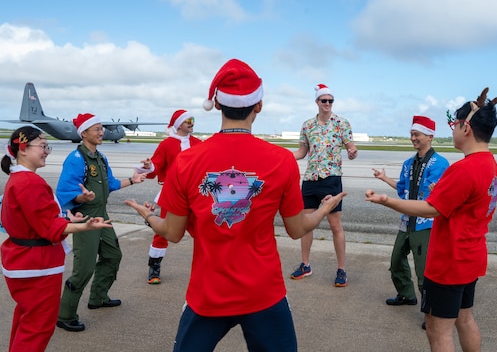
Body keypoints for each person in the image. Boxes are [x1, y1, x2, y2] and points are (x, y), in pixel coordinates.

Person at [125, 58, 346, 351]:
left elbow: (173, 232)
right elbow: (297, 229)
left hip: (208, 294)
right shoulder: (281, 161)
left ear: (216, 104)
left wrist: (147, 217)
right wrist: (323, 210)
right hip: (264, 293)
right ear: (259, 105)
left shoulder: (187, 161)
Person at [365, 88, 497, 352]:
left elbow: (430, 209)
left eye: (454, 125)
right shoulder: (490, 164)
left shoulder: (462, 169)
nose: (451, 131)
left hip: (450, 261)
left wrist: (386, 200)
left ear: (466, 127)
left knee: (438, 330)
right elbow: (465, 204)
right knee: (464, 318)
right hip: (471, 255)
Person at [0, 126, 112, 351]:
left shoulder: (19, 179)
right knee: (38, 326)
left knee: (26, 319)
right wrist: (85, 226)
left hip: (23, 262)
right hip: (37, 265)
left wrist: (68, 217)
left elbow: (35, 218)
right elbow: (49, 227)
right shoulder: (30, 182)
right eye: (42, 146)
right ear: (23, 149)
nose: (47, 151)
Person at [55, 113, 149, 332]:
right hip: (85, 217)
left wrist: (133, 180)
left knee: (112, 255)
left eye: (101, 128)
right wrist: (81, 199)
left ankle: (98, 297)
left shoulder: (100, 157)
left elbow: (112, 183)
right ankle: (65, 314)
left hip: (101, 214)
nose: (101, 132)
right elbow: (65, 192)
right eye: (96, 129)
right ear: (84, 133)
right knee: (84, 268)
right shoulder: (76, 159)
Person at [372, 116, 449, 311]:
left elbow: (442, 196)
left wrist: (437, 191)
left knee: (424, 271)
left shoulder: (440, 163)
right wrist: (384, 178)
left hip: (426, 223)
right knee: (396, 260)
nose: (413, 138)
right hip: (407, 221)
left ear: (430, 136)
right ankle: (406, 294)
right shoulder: (408, 163)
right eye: (411, 134)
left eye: (417, 134)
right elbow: (402, 188)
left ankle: (432, 311)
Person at [290, 83, 358, 287]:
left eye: (330, 101)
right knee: (305, 223)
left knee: (335, 225)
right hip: (310, 179)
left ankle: (341, 269)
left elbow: (351, 147)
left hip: (331, 179)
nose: (327, 104)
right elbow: (302, 152)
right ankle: (305, 265)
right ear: (317, 102)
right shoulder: (307, 125)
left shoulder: (342, 123)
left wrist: (352, 151)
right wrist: (283, 157)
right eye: (324, 100)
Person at [144, 109, 202, 284]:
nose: (191, 123)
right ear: (178, 125)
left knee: (202, 231)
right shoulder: (167, 145)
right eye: (187, 121)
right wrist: (149, 166)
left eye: (192, 120)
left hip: (195, 195)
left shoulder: (198, 143)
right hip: (172, 195)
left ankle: (208, 266)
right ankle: (154, 268)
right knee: (163, 231)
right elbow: (156, 165)